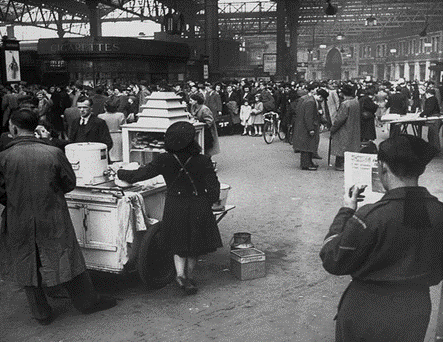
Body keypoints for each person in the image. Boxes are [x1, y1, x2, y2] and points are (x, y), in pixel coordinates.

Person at [320, 134, 442, 342]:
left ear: (382, 167)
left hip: (367, 310)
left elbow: (333, 259)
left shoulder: (371, 216)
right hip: (416, 309)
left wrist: (346, 211)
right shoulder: (438, 211)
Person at [0, 109, 117, 325]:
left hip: (19, 217)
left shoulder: (4, 157)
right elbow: (69, 183)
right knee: (66, 255)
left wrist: (17, 201)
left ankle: (41, 313)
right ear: (35, 127)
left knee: (27, 260)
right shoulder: (53, 153)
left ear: (14, 128)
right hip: (52, 214)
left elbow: (1, 192)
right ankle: (87, 302)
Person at [117, 121, 222, 295]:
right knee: (194, 244)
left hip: (176, 204)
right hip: (198, 204)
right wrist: (210, 202)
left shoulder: (164, 160)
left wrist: (121, 173)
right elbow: (214, 188)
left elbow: (140, 174)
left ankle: (180, 275)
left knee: (179, 242)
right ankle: (188, 276)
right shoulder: (203, 160)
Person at [330, 83, 361, 171]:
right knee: (351, 146)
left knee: (341, 146)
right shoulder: (356, 102)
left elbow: (340, 119)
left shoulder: (345, 104)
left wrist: (333, 128)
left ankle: (340, 165)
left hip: (344, 128)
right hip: (353, 127)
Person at [292, 83, 322, 171]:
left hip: (303, 126)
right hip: (306, 127)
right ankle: (306, 164)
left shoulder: (307, 99)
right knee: (306, 147)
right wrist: (311, 129)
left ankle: (309, 162)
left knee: (308, 146)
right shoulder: (310, 102)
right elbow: (308, 117)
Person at [189, 93, 220, 157]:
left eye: (191, 100)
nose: (190, 102)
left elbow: (209, 121)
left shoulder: (204, 109)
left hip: (206, 131)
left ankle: (207, 160)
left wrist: (200, 122)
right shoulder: (193, 107)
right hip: (198, 130)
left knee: (206, 147)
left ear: (196, 101)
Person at [98, 97, 126, 162]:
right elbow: (124, 126)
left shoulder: (101, 116)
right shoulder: (120, 115)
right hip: (118, 136)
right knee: (118, 155)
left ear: (105, 108)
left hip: (105, 136)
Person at [420, 88, 442, 152]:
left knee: (433, 135)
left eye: (426, 95)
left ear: (428, 94)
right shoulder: (434, 99)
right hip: (436, 119)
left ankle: (435, 150)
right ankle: (434, 149)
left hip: (433, 119)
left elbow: (428, 110)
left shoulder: (430, 100)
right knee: (433, 135)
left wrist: (422, 114)